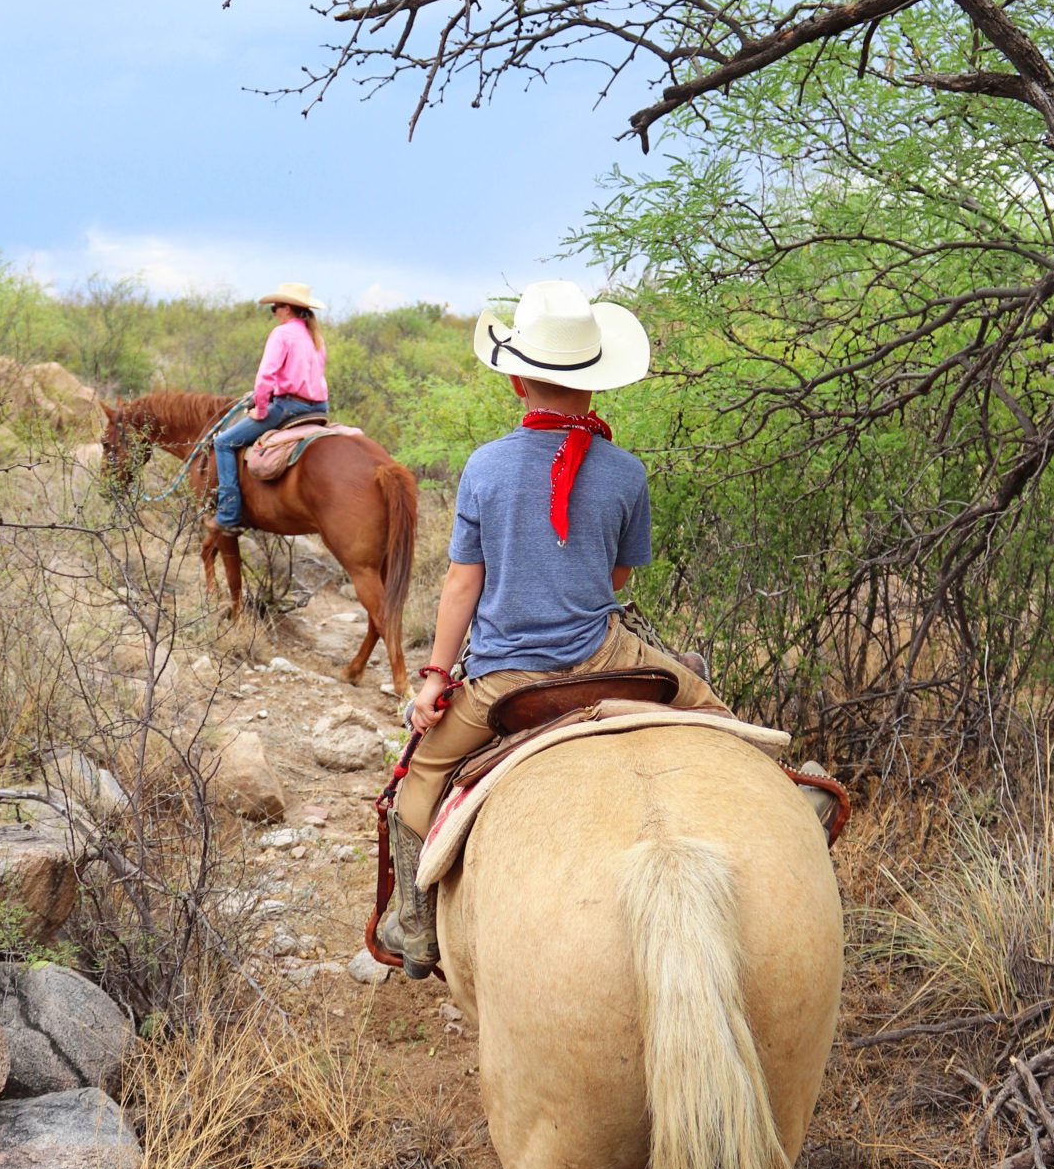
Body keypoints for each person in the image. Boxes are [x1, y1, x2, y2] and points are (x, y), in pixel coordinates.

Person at [378, 278, 734, 979]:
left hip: (507, 677)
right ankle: (794, 788)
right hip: (605, 652)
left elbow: (461, 584)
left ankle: (415, 929)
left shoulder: (484, 466)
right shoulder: (626, 473)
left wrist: (434, 680)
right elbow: (618, 580)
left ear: (516, 380)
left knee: (417, 776)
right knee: (717, 716)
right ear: (596, 384)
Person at [213, 282, 329, 531]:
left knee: (223, 443)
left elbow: (266, 375)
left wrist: (261, 409)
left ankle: (228, 514)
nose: (274, 312)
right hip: (318, 407)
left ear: (287, 308)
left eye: (275, 307)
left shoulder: (282, 334)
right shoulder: (314, 336)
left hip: (290, 407)